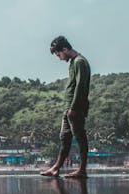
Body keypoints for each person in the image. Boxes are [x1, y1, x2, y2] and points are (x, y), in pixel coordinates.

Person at [41, 36, 91, 178]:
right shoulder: (73, 62)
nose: (59, 58)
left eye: (59, 54)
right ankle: (56, 168)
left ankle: (82, 170)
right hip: (69, 107)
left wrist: (74, 108)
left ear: (65, 49)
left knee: (80, 137)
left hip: (75, 108)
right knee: (65, 138)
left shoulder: (80, 62)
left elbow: (81, 86)